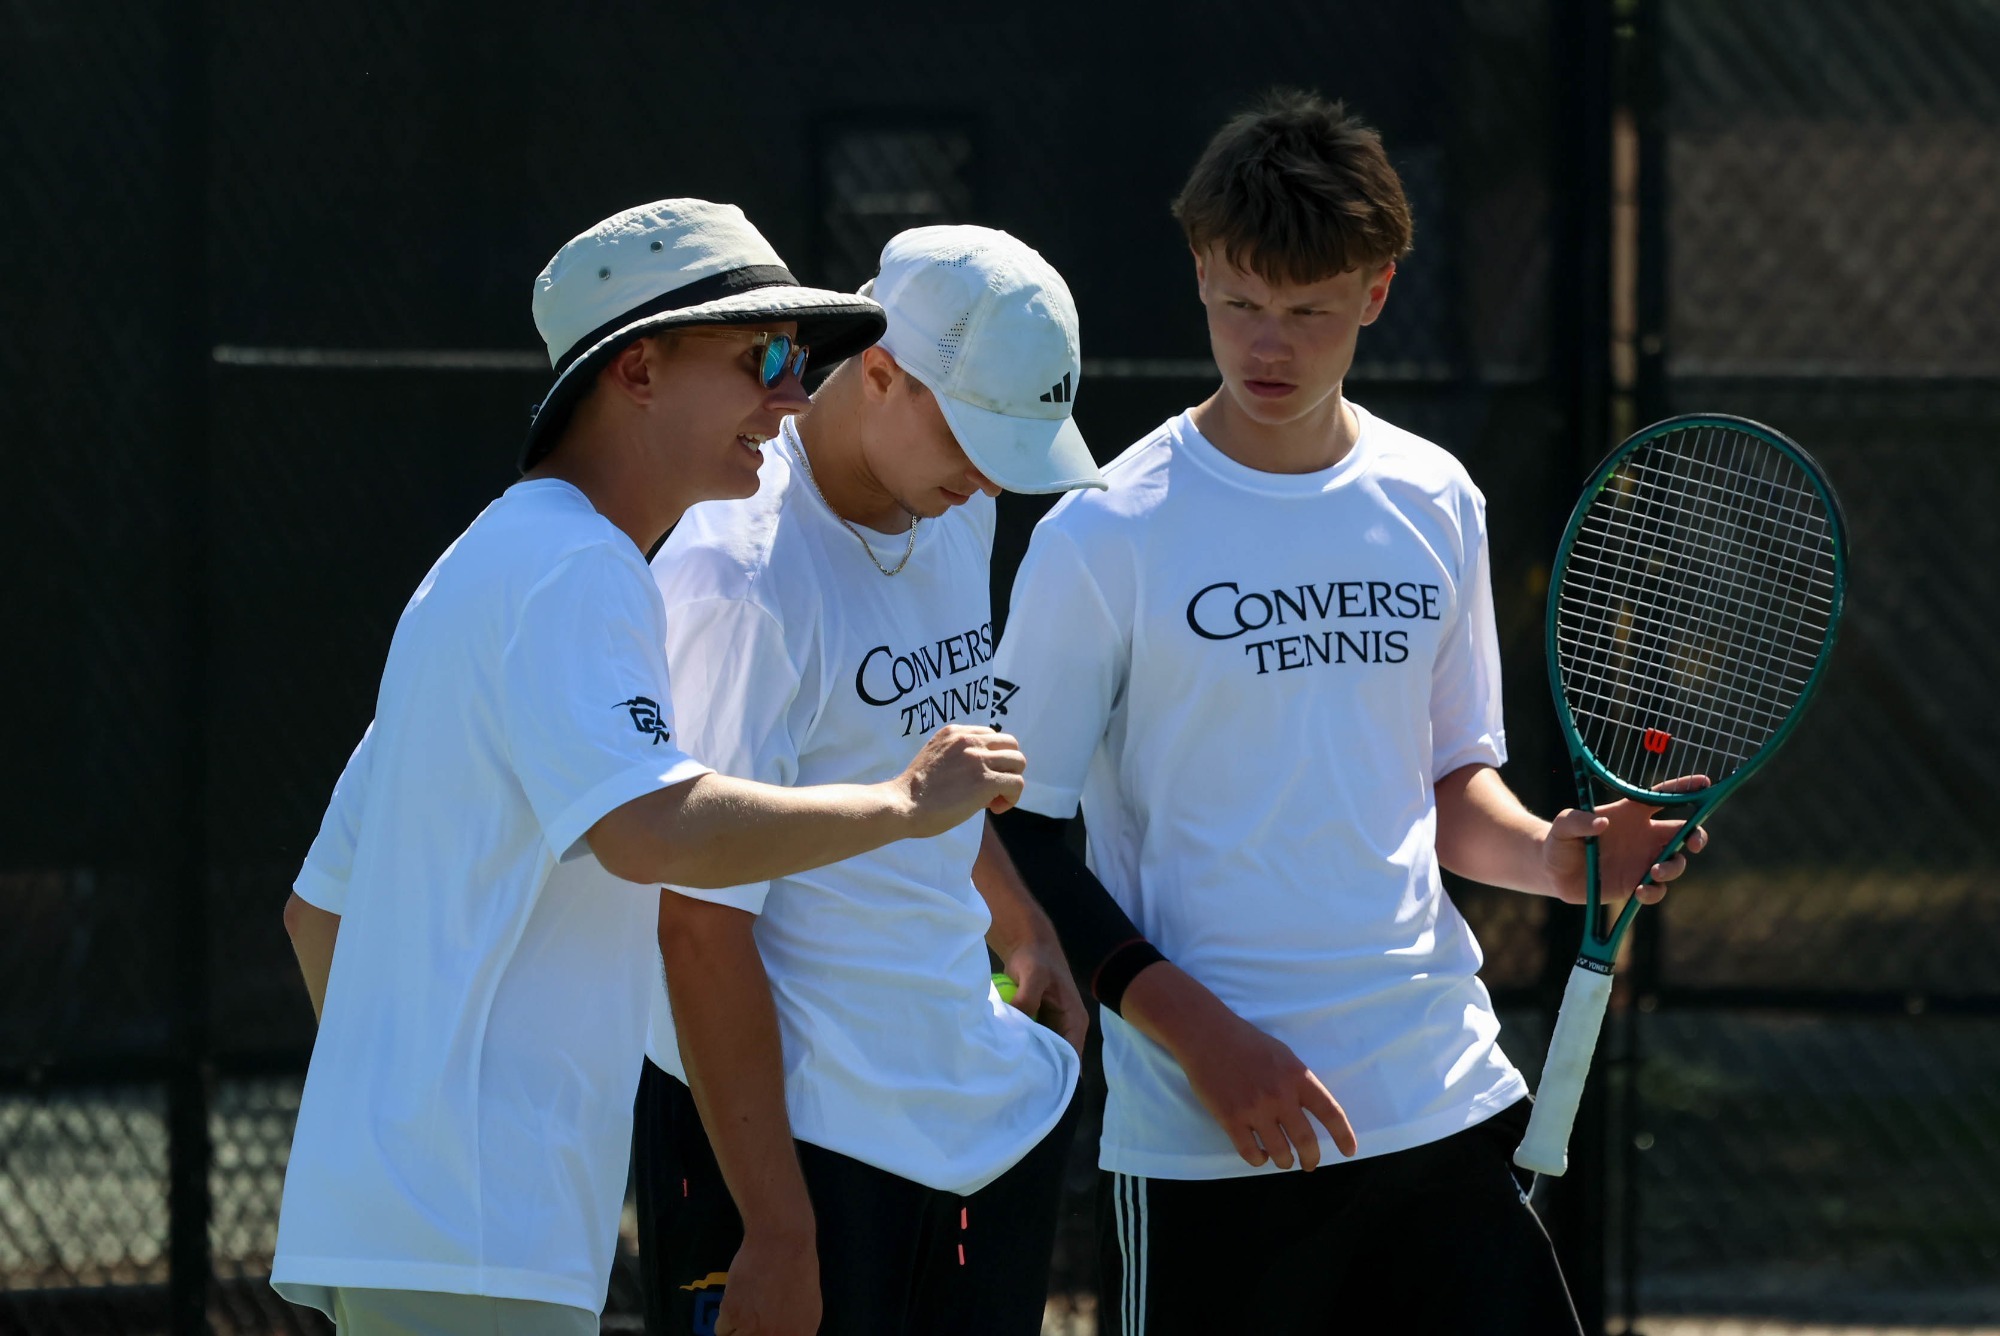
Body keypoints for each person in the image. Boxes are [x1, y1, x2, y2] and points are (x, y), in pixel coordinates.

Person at [987, 92, 1710, 1334]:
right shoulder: (1103, 530)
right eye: (1237, 303)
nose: (1265, 344)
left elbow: (1447, 787)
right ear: (1198, 271)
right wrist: (1199, 1038)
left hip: (1439, 1097)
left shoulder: (1433, 498)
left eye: (1307, 311)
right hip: (1213, 1139)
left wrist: (1553, 857)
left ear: (1375, 292)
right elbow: (1013, 831)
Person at [272, 199, 1029, 1336]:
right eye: (761, 359)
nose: (790, 395)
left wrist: (409, 1129)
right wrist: (902, 803)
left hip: (408, 1227)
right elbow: (652, 831)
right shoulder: (579, 569)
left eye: (796, 362)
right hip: (486, 1236)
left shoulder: (482, 563)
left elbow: (315, 912)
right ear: (637, 370)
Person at [634, 225, 1102, 1336]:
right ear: (881, 373)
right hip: (788, 1155)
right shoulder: (739, 575)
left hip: (963, 1114)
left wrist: (1019, 919)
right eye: (977, 437)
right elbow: (694, 921)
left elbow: (910, 763)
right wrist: (776, 1229)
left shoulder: (955, 497)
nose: (992, 476)